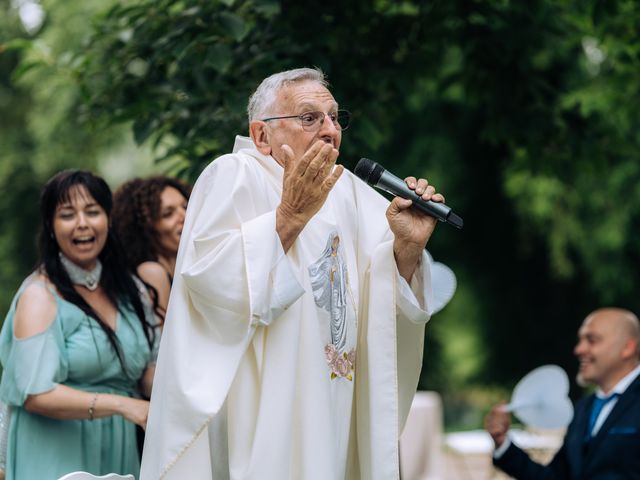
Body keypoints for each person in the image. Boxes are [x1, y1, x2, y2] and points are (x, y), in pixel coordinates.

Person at [140, 67, 447, 480]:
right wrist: (288, 216)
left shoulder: (353, 194)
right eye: (310, 118)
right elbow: (209, 281)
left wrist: (407, 249)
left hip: (336, 398)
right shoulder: (234, 175)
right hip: (270, 405)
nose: (329, 130)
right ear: (262, 135)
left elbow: (384, 299)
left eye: (335, 118)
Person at [0, 170, 158, 479]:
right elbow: (36, 394)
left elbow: (148, 372)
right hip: (53, 449)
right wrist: (124, 406)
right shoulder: (40, 295)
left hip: (118, 447)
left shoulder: (131, 292)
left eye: (93, 211)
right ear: (50, 226)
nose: (82, 223)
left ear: (108, 220)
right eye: (67, 214)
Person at [485, 307, 640, 479]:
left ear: (627, 347)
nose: (579, 349)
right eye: (580, 340)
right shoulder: (583, 408)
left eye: (592, 340)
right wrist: (502, 443)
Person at [112, 176, 191, 321]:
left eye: (186, 207)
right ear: (147, 227)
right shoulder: (152, 272)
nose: (184, 216)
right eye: (168, 214)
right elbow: (164, 340)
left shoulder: (186, 265)